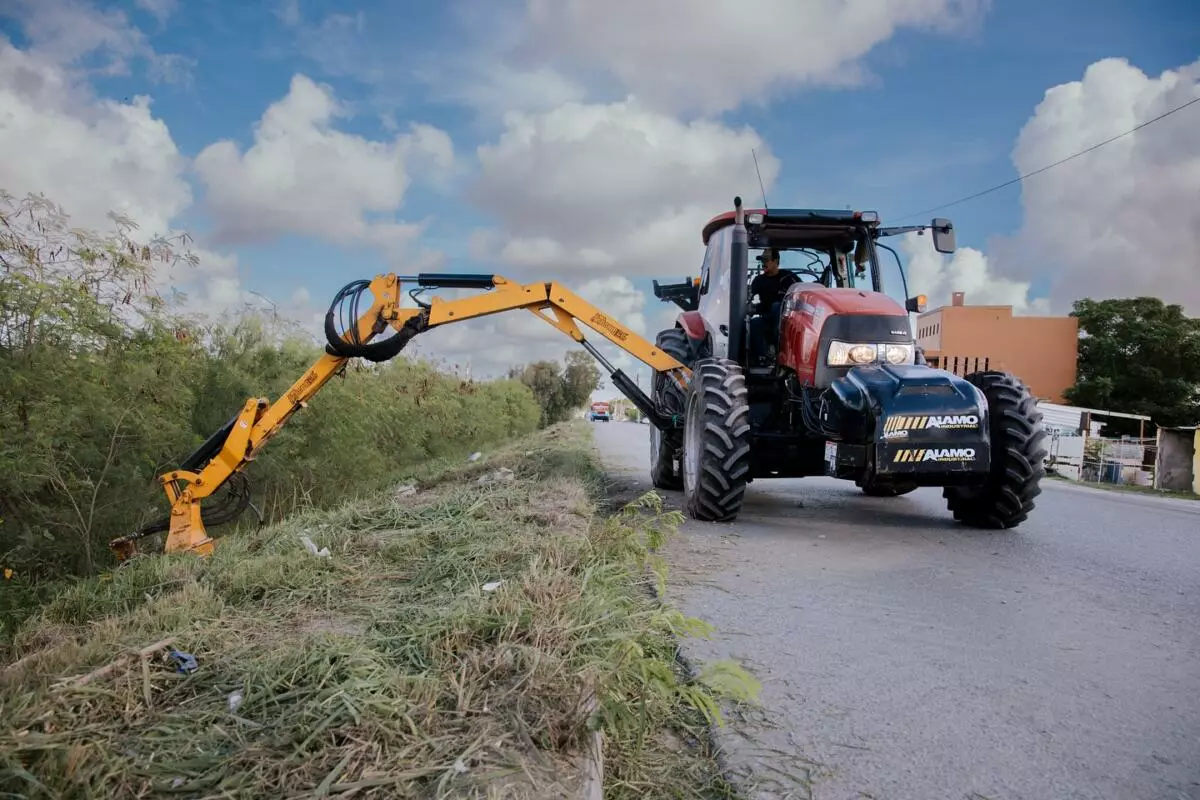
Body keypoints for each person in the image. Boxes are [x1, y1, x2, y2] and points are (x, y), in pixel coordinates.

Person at [748, 248, 799, 362]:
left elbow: (801, 290)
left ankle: (781, 348)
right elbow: (748, 297)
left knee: (777, 306)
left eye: (766, 260)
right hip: (767, 318)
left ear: (775, 261)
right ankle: (761, 359)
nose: (763, 263)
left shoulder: (789, 277)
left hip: (787, 320)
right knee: (754, 323)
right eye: (762, 261)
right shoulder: (758, 280)